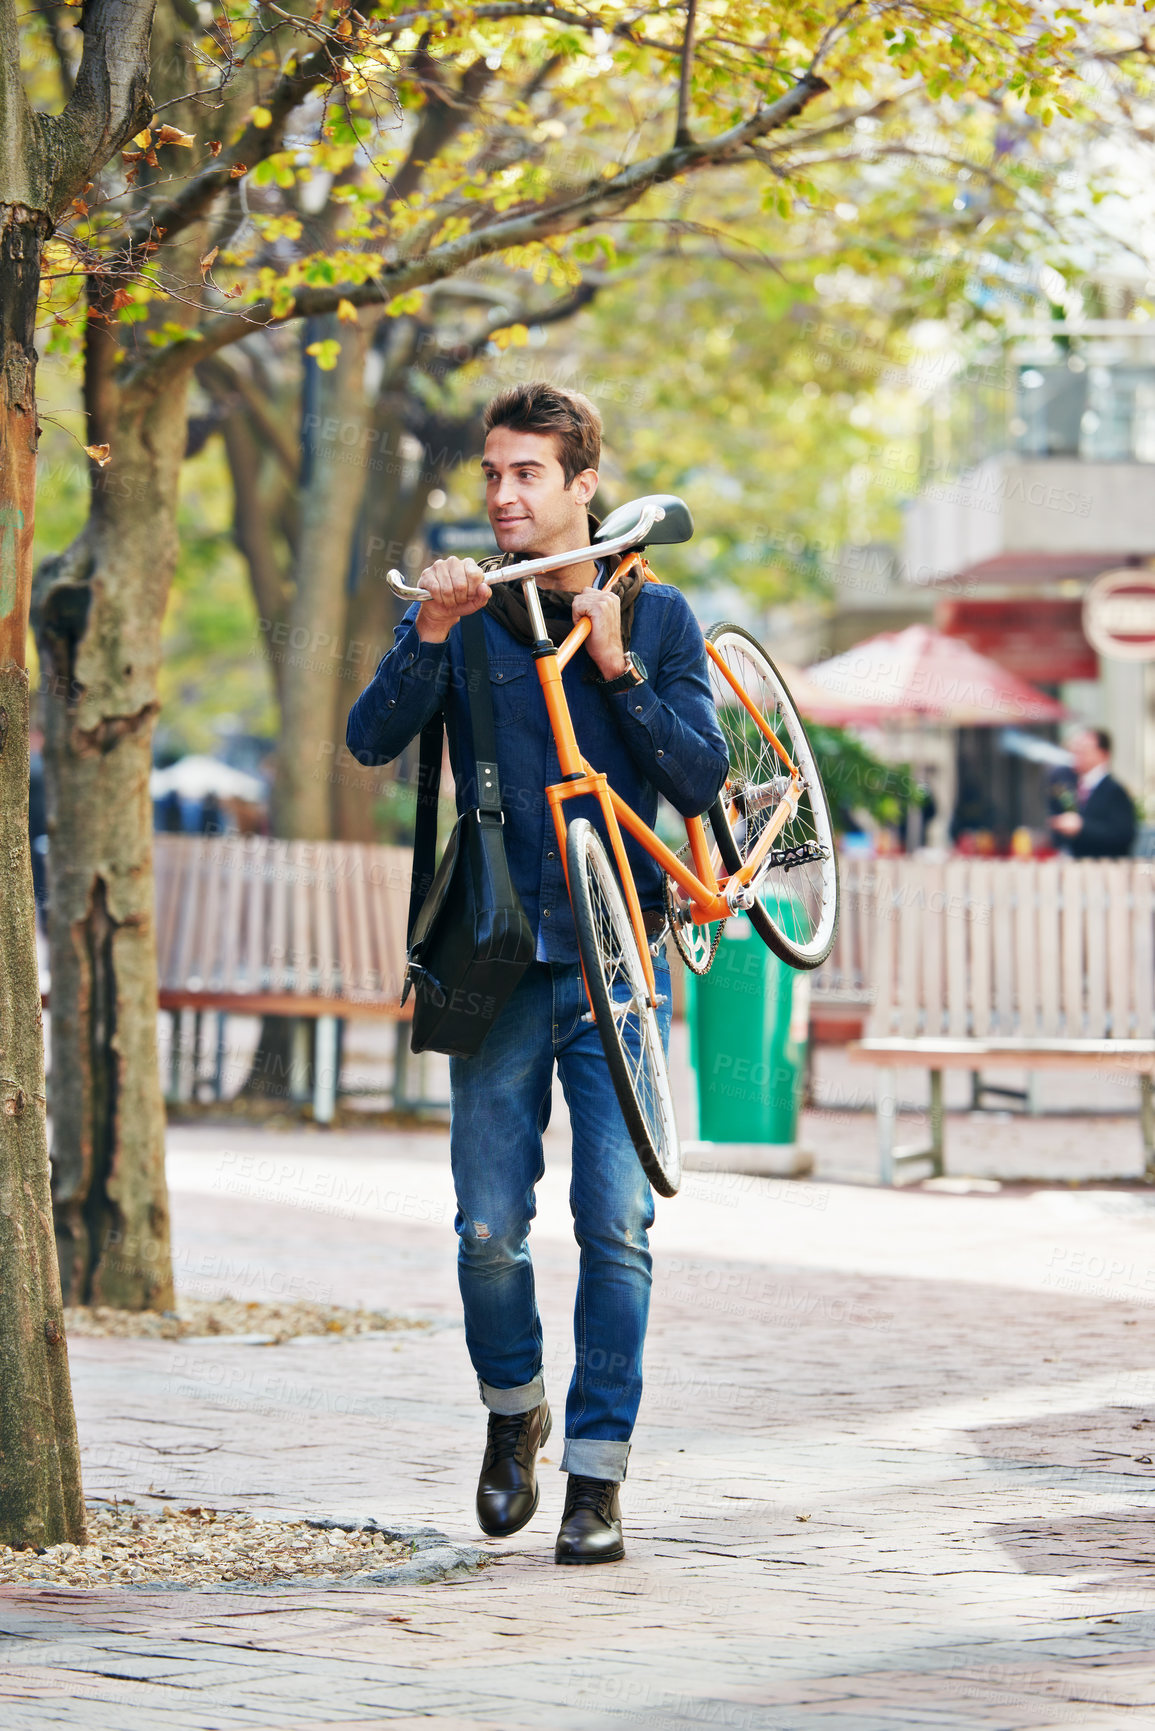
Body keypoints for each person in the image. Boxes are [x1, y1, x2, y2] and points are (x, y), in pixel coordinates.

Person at [347, 382, 728, 1564]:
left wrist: (619, 669)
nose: (504, 495)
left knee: (615, 1225)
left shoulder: (656, 615)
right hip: (499, 965)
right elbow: (371, 737)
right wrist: (431, 638)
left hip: (618, 965)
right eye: (494, 475)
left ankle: (598, 1478)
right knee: (485, 1231)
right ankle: (514, 1414)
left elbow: (703, 777)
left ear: (582, 487)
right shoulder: (462, 608)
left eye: (528, 476)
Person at [1049, 727, 1136, 859]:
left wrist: (1082, 827)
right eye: (1075, 749)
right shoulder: (1071, 784)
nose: (1076, 754)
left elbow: (1123, 835)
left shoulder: (1115, 791)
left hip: (1107, 870)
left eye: (1084, 750)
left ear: (1103, 754)